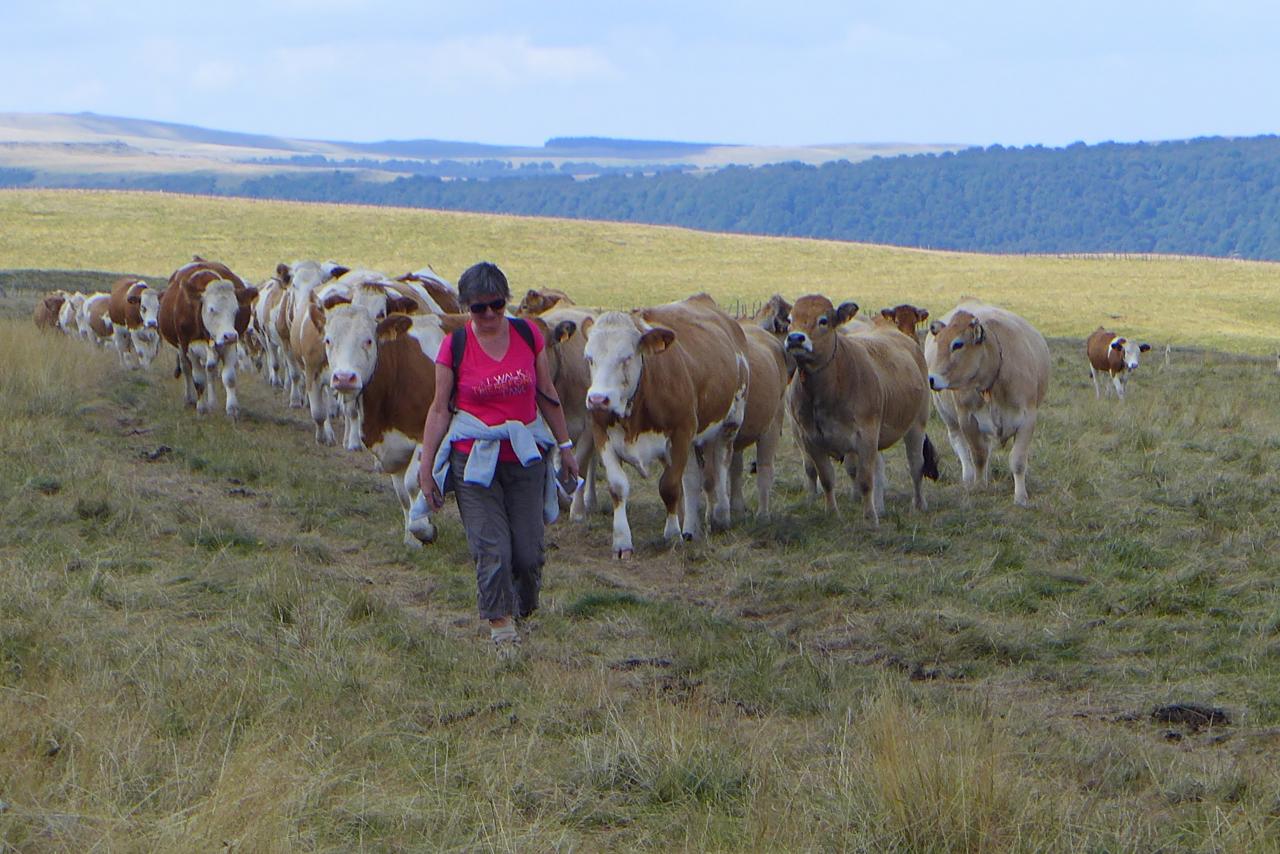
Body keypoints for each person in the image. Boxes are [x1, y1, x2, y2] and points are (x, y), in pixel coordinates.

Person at [418, 262, 580, 656]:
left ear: (506, 302)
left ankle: (522, 608)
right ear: (466, 308)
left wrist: (566, 446)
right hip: (473, 462)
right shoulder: (453, 347)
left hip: (525, 458)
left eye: (496, 305)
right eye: (478, 308)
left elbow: (546, 394)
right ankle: (501, 629)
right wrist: (426, 468)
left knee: (527, 553)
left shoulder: (527, 335)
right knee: (492, 547)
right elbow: (440, 410)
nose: (489, 314)